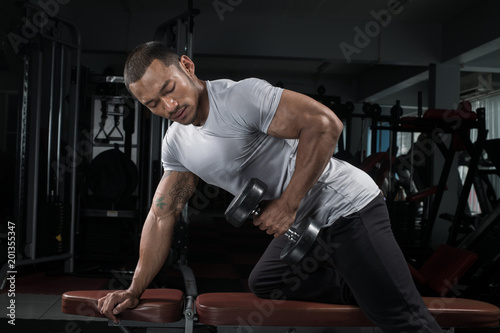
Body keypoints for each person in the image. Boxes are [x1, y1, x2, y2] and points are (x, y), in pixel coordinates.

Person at [97, 41, 442, 332]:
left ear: (187, 66)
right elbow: (162, 215)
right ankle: (363, 285)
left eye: (168, 89)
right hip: (304, 229)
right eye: (153, 104)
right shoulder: (176, 143)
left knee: (402, 321)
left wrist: (289, 203)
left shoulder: (238, 98)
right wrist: (134, 287)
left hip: (346, 207)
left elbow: (325, 125)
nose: (168, 106)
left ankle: (381, 292)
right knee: (267, 283)